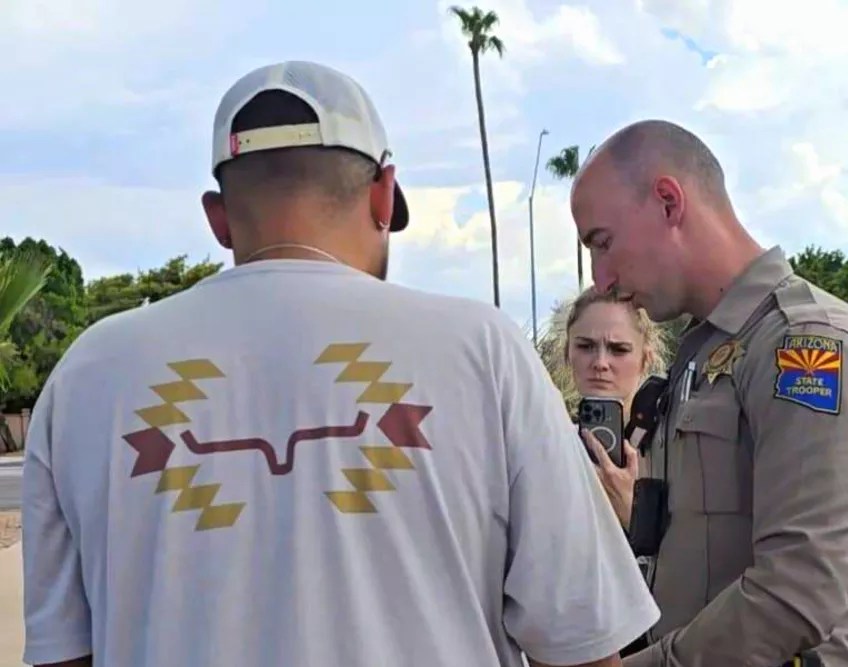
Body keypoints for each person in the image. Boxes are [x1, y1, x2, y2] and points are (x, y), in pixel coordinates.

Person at [20, 60, 659, 667]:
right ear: (383, 195)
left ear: (218, 218)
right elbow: (582, 645)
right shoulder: (481, 351)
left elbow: (63, 652)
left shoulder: (88, 374)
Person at [569, 119, 848, 667]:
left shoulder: (806, 346)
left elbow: (796, 594)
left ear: (668, 202)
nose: (601, 277)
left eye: (603, 242)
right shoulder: (704, 356)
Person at [554, 286, 667, 529]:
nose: (600, 363)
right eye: (585, 346)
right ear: (567, 354)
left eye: (619, 350)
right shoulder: (543, 445)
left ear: (645, 359)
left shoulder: (672, 448)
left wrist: (630, 513)